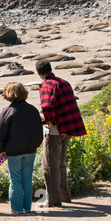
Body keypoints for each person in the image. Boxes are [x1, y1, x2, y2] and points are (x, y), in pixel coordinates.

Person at [35, 59, 86, 207]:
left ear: (39, 73)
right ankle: (64, 195)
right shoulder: (64, 82)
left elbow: (46, 105)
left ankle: (52, 200)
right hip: (68, 127)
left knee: (50, 165)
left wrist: (50, 121)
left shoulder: (47, 84)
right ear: (50, 69)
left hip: (55, 130)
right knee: (61, 163)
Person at [0, 82, 43, 214]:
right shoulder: (33, 110)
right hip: (30, 150)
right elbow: (39, 130)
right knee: (27, 178)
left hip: (13, 151)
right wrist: (36, 145)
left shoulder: (7, 111)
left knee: (15, 179)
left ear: (8, 95)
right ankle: (27, 207)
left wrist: (0, 149)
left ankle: (16, 208)